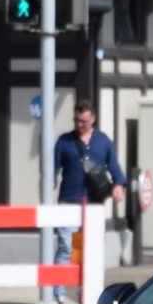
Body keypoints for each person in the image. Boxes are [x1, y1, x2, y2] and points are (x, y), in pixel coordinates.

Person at [52, 99, 125, 276]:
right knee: (66, 247)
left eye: (83, 121)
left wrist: (118, 185)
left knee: (90, 250)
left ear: (93, 118)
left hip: (94, 203)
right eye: (76, 120)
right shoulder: (64, 141)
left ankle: (85, 294)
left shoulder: (103, 141)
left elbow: (114, 166)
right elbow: (52, 168)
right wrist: (48, 184)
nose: (79, 124)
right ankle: (58, 292)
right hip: (68, 200)